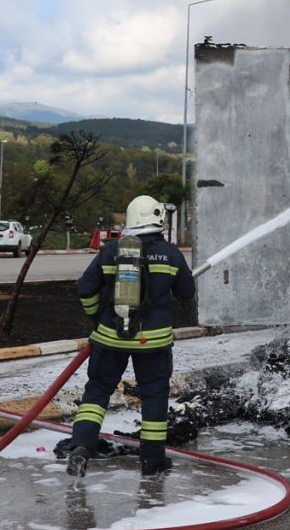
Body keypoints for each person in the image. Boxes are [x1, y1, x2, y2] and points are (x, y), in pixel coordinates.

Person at [66, 195, 195, 477]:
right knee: (154, 396)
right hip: (154, 342)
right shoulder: (171, 253)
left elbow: (85, 289)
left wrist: (97, 318)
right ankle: (152, 460)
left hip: (110, 338)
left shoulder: (110, 251)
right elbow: (187, 293)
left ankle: (81, 448)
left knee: (98, 391)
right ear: (158, 219)